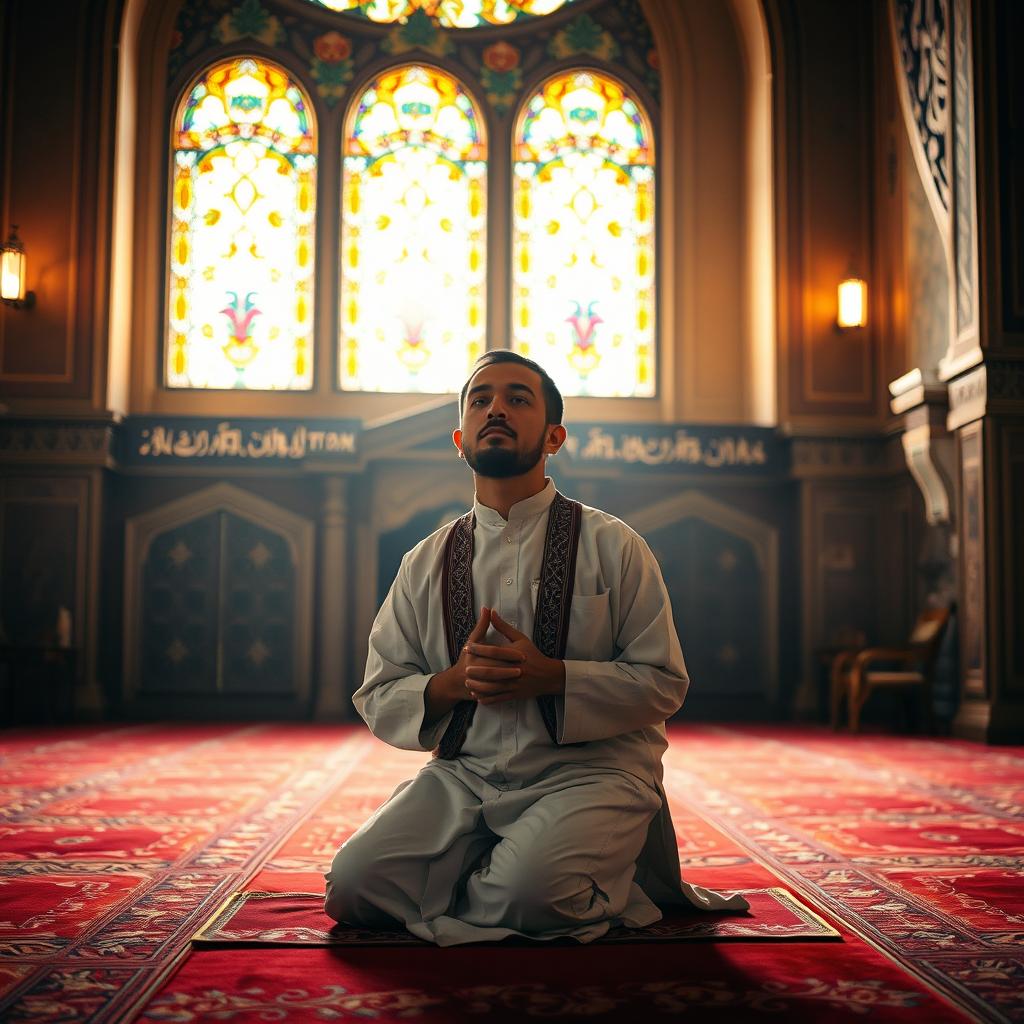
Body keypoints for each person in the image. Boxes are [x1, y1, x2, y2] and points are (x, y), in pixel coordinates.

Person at [324, 350, 747, 946]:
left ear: (554, 435)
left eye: (518, 398)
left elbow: (663, 682)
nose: (496, 407)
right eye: (480, 399)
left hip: (591, 774)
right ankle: (505, 875)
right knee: (352, 887)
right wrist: (453, 682)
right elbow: (378, 692)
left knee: (529, 894)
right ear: (460, 437)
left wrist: (553, 678)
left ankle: (543, 876)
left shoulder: (615, 546)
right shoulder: (425, 562)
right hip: (465, 777)